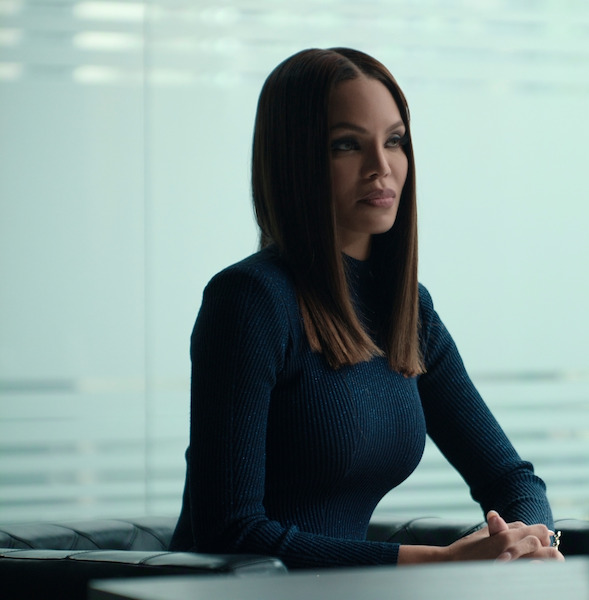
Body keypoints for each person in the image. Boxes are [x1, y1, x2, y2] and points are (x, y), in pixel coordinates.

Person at [168, 47, 561, 568]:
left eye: (395, 141)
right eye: (347, 145)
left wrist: (531, 543)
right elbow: (231, 534)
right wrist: (434, 562)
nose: (382, 167)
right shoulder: (249, 302)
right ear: (295, 159)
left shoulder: (406, 311)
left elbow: (511, 480)